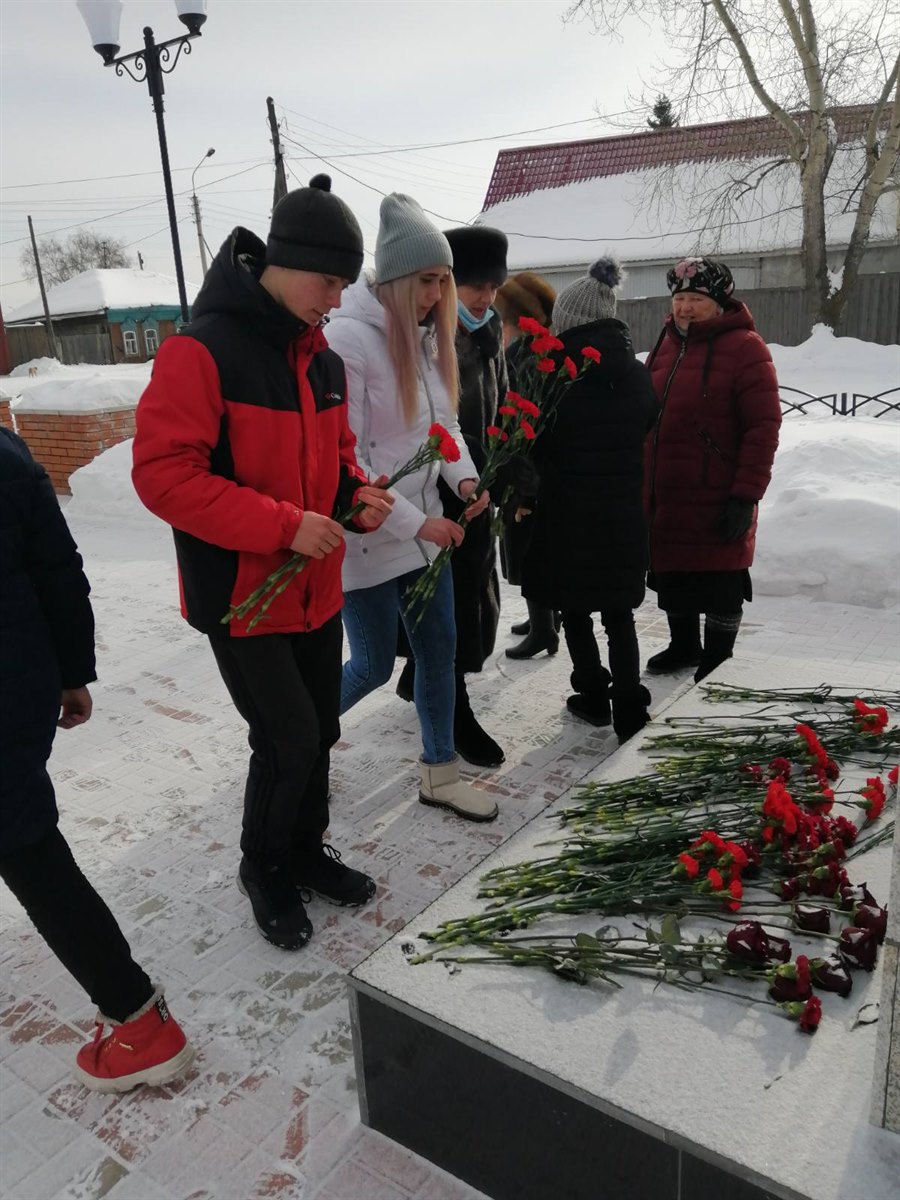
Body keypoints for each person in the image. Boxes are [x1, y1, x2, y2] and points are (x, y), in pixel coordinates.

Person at [132, 176, 394, 952]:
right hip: (242, 594)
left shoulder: (322, 362)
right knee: (286, 737)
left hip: (315, 587)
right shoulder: (200, 352)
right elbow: (164, 476)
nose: (337, 300)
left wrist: (355, 496)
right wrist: (285, 526)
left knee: (319, 731)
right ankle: (265, 866)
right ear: (288, 263)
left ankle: (306, 850)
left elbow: (336, 461)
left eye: (345, 285)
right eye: (330, 282)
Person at [0, 429, 193, 1091]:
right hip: (21, 685)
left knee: (29, 851)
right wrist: (70, 673)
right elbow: (58, 570)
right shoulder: (8, 454)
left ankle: (138, 1020)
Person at [327, 193, 497, 823]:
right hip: (370, 535)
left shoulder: (424, 336)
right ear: (397, 276)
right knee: (372, 666)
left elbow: (442, 425)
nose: (437, 294)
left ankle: (439, 772)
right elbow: (349, 457)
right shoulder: (348, 340)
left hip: (427, 534)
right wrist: (414, 520)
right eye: (427, 280)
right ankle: (299, 744)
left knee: (439, 651)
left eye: (443, 280)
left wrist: (466, 481)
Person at [520, 259, 659, 742]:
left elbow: (536, 442)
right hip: (622, 513)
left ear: (569, 321)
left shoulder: (557, 375)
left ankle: (594, 696)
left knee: (575, 608)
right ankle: (629, 708)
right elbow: (647, 420)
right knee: (620, 614)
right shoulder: (636, 373)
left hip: (569, 515)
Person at [396, 225, 509, 768]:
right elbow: (426, 425)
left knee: (469, 597)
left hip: (478, 489)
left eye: (494, 287)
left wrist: (506, 467)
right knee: (454, 605)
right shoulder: (430, 339)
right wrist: (459, 479)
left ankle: (424, 675)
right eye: (475, 286)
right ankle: (454, 709)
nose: (486, 297)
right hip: (439, 495)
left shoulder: (489, 333)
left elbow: (502, 405)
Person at [644, 256, 781, 681]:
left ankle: (718, 660)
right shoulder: (667, 344)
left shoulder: (746, 347)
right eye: (679, 298)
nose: (685, 307)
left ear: (719, 303)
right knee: (674, 572)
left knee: (721, 581)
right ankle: (684, 646)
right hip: (668, 489)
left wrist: (746, 495)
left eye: (696, 299)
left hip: (718, 490)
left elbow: (763, 427)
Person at [493, 270, 560, 659]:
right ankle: (545, 619)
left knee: (529, 549)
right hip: (533, 466)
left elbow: (523, 415)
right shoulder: (537, 349)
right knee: (533, 546)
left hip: (528, 468)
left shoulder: (527, 356)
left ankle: (543, 629)